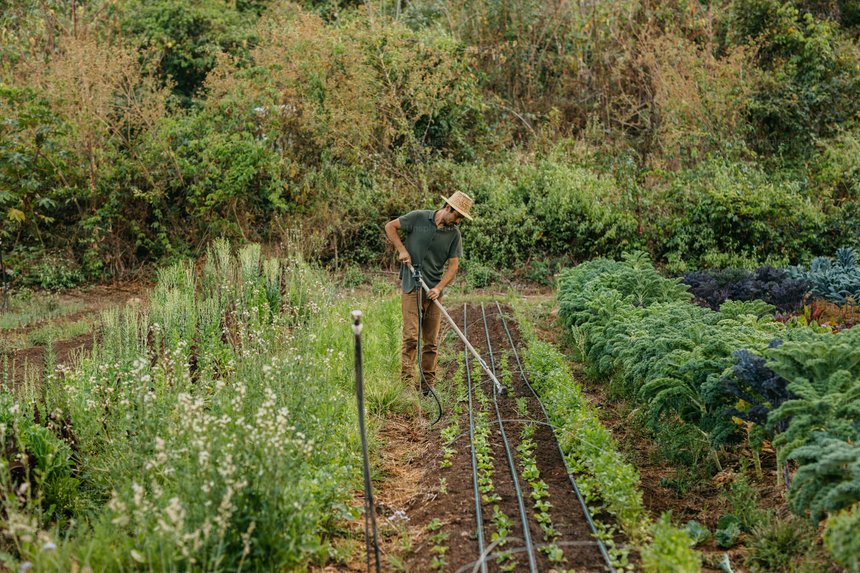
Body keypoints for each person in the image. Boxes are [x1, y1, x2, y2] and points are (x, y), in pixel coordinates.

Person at [384, 191, 474, 394]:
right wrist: (401, 250)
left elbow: (453, 268)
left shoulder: (454, 235)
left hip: (434, 292)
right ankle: (406, 384)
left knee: (431, 341)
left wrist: (438, 288)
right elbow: (390, 226)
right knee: (410, 337)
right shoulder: (418, 218)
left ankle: (427, 384)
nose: (458, 221)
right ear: (448, 208)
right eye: (457, 216)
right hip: (411, 286)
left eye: (461, 218)